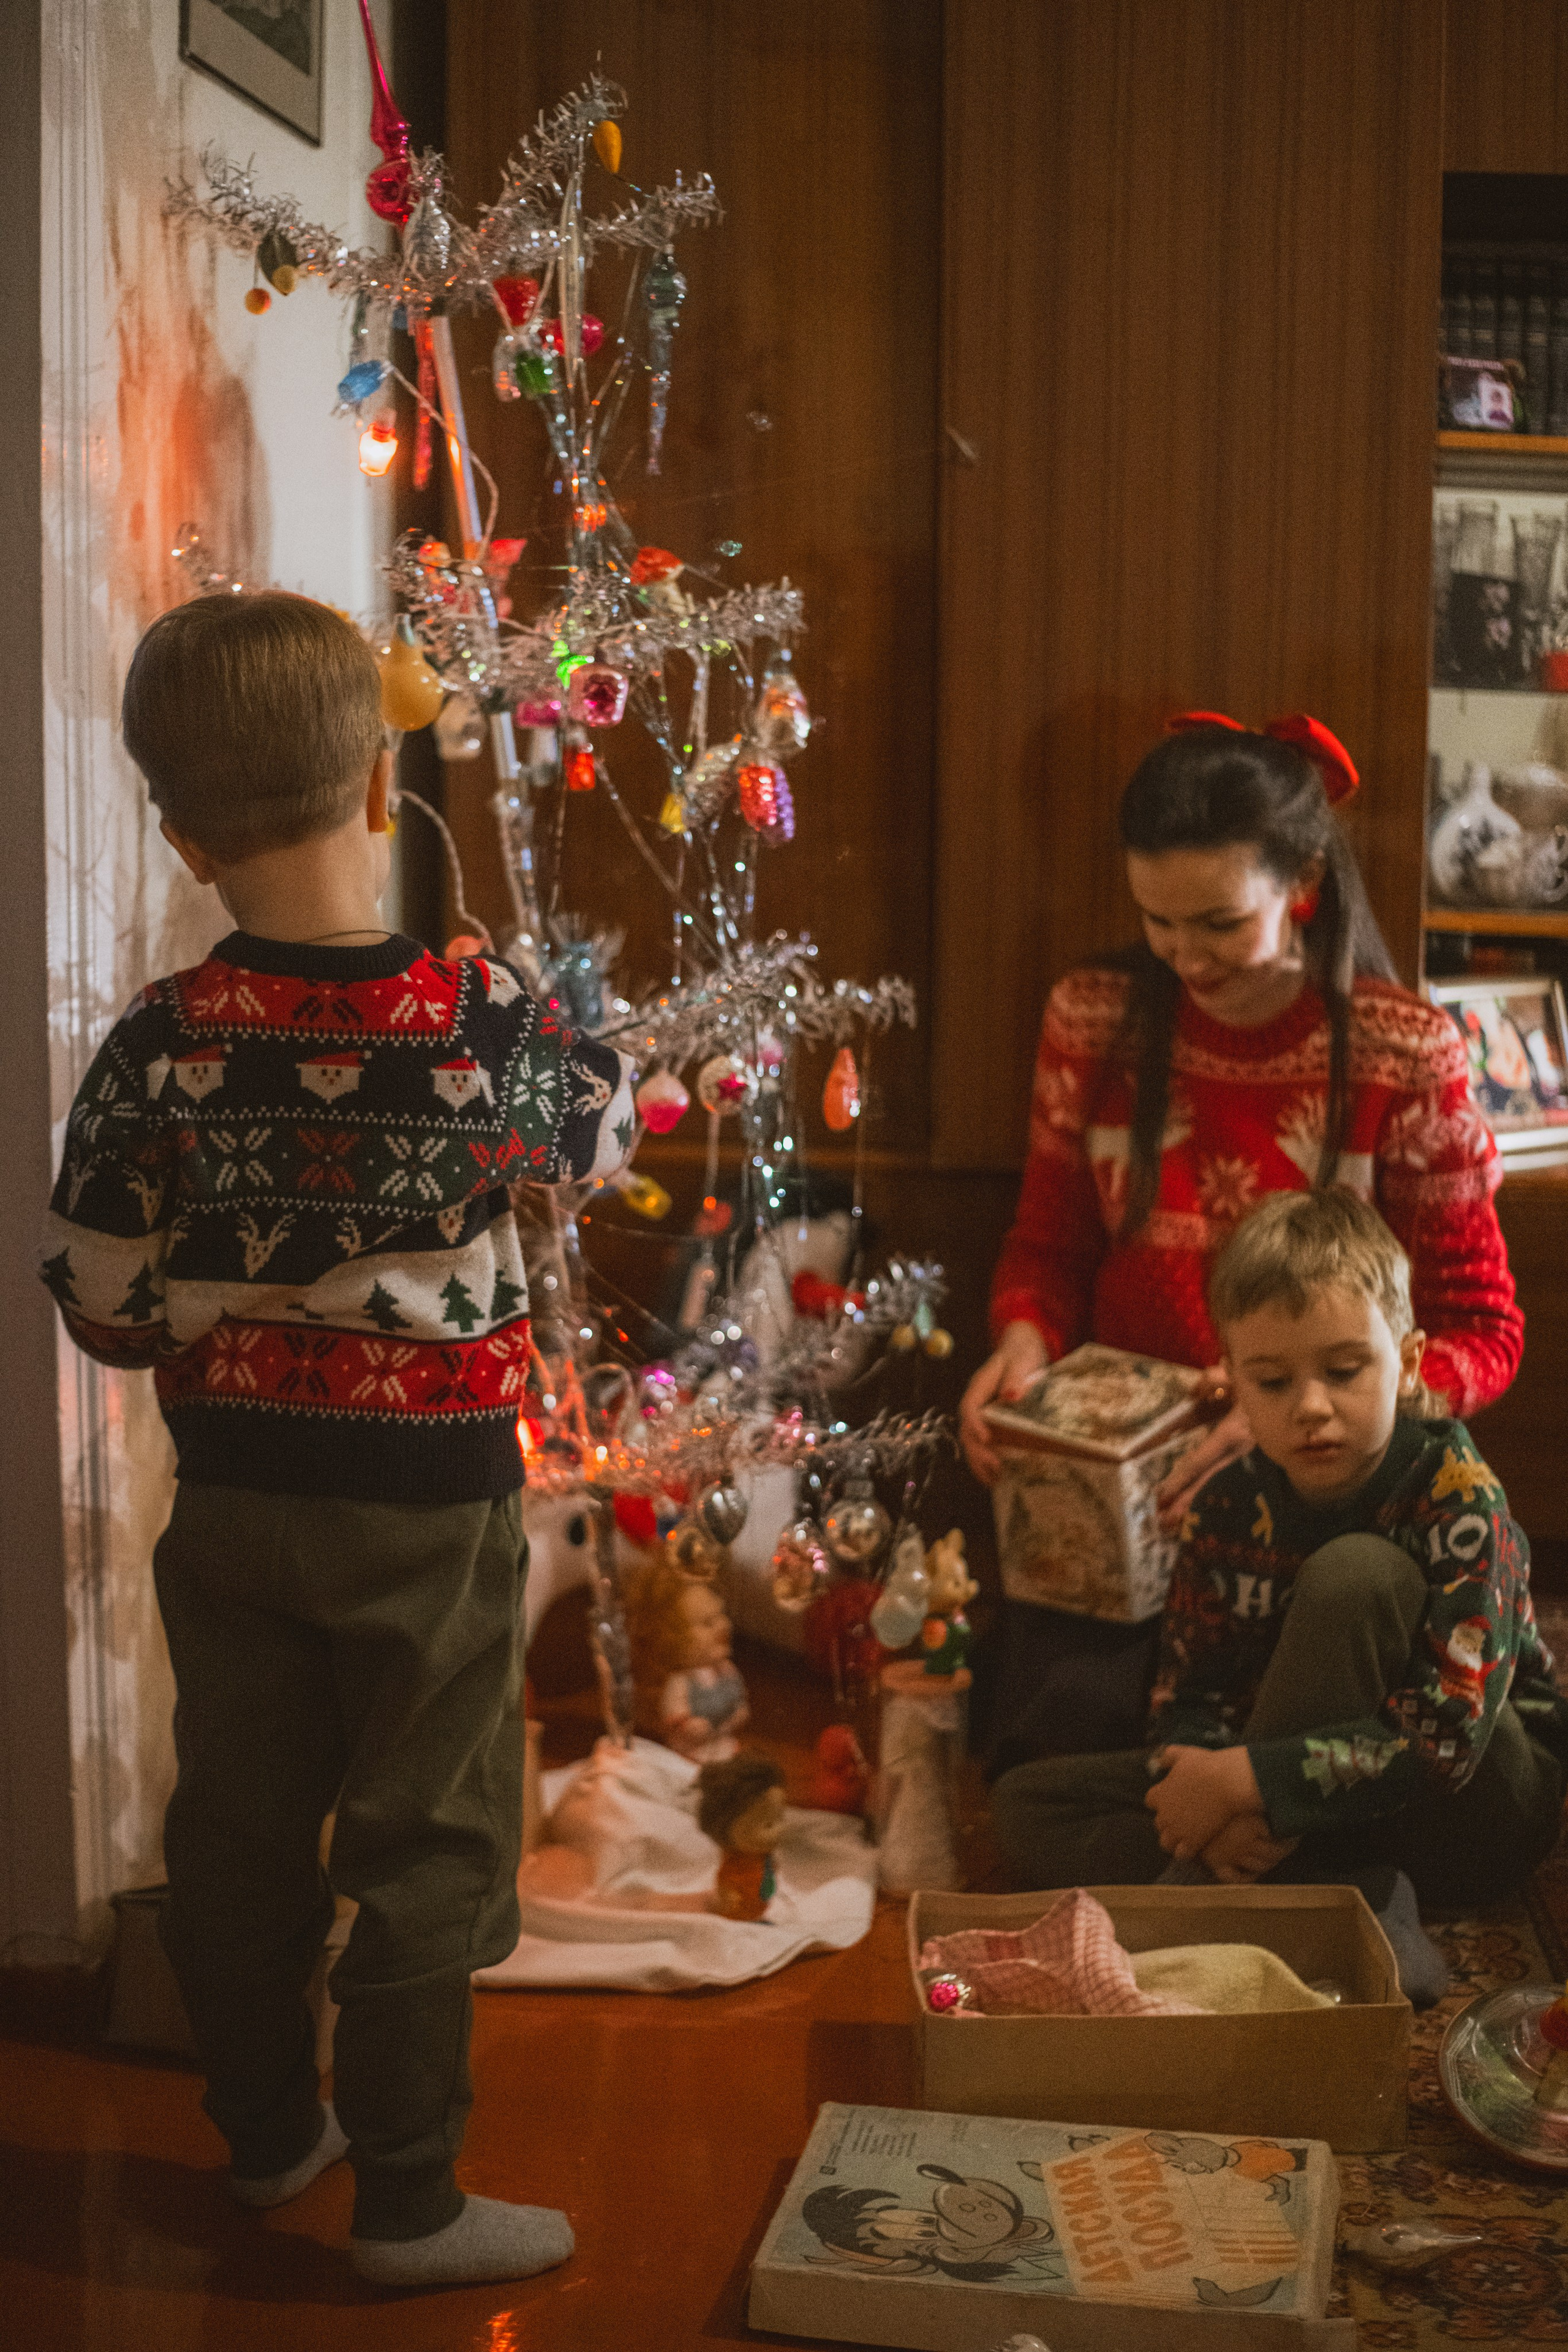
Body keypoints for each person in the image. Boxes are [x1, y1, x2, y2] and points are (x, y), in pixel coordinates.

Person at [41, 592, 634, 2290]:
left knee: (237, 1820)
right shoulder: (474, 1015)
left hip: (230, 1495)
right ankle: (410, 2201)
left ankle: (264, 2135)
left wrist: (194, 1322)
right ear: (384, 788)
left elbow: (96, 1290)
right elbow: (596, 1142)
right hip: (430, 1512)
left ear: (180, 834)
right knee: (427, 1835)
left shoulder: (160, 1038)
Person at [960, 714, 1524, 1770]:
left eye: (1218, 923)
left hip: (1324, 1487)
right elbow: (1047, 1249)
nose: (1183, 958)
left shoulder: (1405, 1055)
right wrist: (1023, 1346)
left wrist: (1288, 1414)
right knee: (1047, 1775)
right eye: (1156, 922)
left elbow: (1481, 1334)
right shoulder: (1095, 1017)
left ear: (1303, 881)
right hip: (1130, 1495)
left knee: (1284, 1744)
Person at [989, 1191, 1568, 1984]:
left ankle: (1239, 1892)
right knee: (1026, 1805)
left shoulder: (1460, 1498)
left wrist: (1250, 1783)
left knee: (1356, 1574)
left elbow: (1448, 1744)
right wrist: (1211, 1798)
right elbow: (1188, 1697)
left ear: (1408, 1362)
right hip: (1313, 1809)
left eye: (1343, 1370)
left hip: (1472, 1806)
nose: (1311, 1407)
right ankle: (1335, 1892)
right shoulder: (1227, 1505)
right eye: (1272, 1381)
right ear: (1232, 1381)